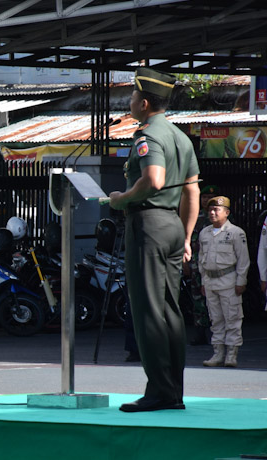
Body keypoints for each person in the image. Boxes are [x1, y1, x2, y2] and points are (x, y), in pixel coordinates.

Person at [109, 68, 200, 413]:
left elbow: (154, 180)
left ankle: (159, 391)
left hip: (148, 223)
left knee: (148, 309)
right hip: (174, 226)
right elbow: (191, 190)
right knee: (170, 310)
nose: (130, 102)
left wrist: (121, 199)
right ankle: (172, 391)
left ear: (144, 103)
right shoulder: (181, 137)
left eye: (132, 97)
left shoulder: (148, 136)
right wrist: (188, 235)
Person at [198, 196, 249, 368]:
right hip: (210, 281)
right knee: (216, 319)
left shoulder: (236, 233)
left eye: (217, 210)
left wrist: (241, 281)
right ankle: (218, 353)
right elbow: (201, 259)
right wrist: (203, 282)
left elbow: (243, 260)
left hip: (229, 280)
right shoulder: (204, 233)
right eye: (210, 210)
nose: (212, 213)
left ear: (226, 213)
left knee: (232, 318)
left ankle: (231, 354)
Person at [184, 184, 219, 346]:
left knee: (217, 301)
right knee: (197, 300)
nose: (206, 201)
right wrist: (186, 264)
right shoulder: (194, 217)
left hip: (215, 267)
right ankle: (200, 333)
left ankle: (219, 334)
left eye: (209, 198)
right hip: (196, 266)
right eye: (203, 198)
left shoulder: (222, 220)